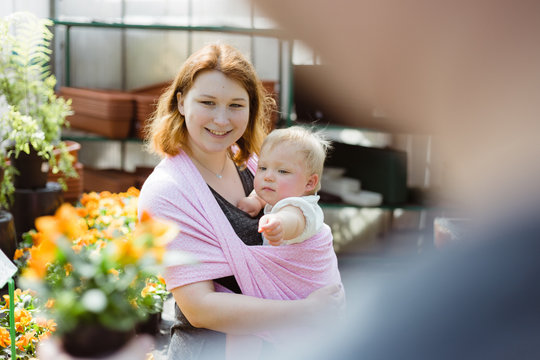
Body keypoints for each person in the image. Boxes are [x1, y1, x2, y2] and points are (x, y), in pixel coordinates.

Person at [137, 43, 344, 360]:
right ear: (181, 102)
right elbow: (201, 309)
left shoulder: (253, 165)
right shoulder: (167, 192)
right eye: (208, 102)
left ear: (251, 109)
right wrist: (305, 311)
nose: (221, 119)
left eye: (236, 105)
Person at [237, 126, 329, 247]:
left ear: (309, 183)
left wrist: (280, 223)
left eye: (283, 171)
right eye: (263, 168)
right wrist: (256, 200)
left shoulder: (301, 207)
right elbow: (265, 193)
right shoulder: (281, 194)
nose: (268, 176)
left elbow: (294, 220)